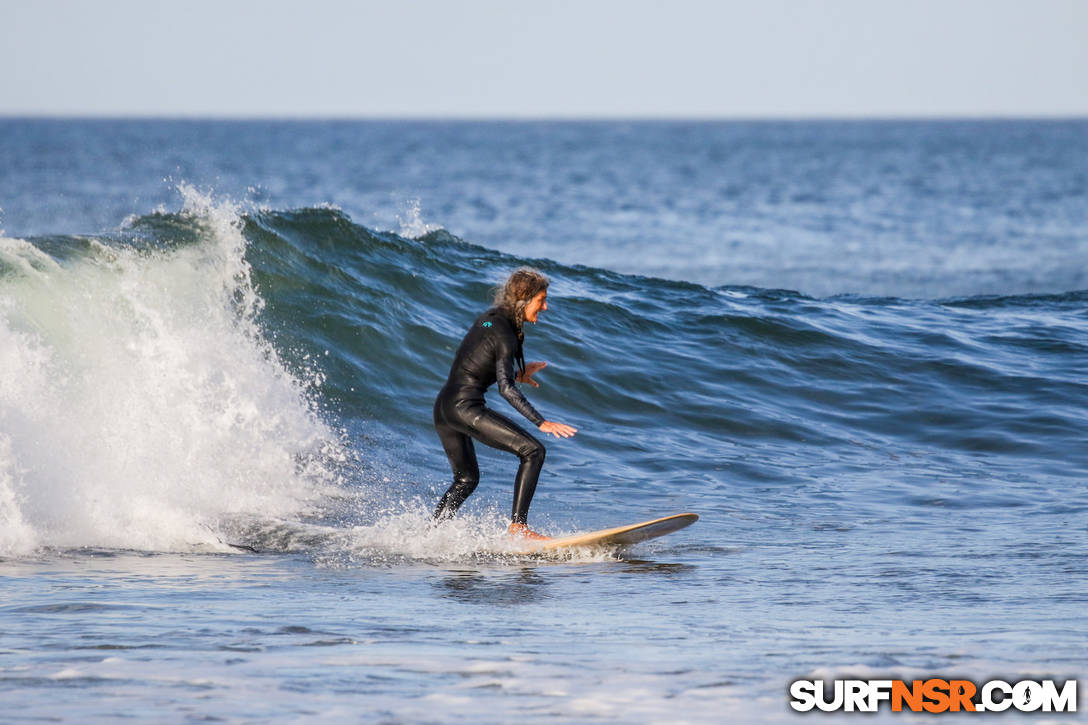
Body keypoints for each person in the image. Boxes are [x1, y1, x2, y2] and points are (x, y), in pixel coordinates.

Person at [432, 267, 577, 539]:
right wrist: (541, 421)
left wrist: (519, 373)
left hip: (444, 408)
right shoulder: (504, 332)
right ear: (524, 299)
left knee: (466, 480)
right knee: (533, 451)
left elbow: (482, 347)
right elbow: (505, 388)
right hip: (465, 407)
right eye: (541, 300)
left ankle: (431, 535)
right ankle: (518, 528)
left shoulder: (488, 320)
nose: (545, 307)